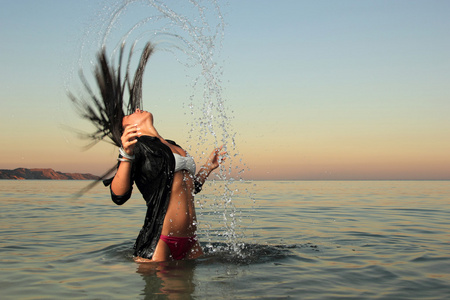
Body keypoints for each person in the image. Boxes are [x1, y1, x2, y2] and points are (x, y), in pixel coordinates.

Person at [69, 42, 226, 262]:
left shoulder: (170, 144)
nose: (136, 109)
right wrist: (126, 154)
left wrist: (208, 169)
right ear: (126, 127)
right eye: (129, 113)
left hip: (190, 241)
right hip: (159, 242)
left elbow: (187, 188)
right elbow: (118, 195)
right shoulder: (138, 148)